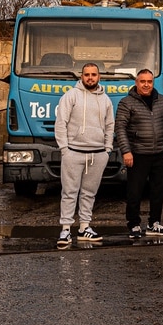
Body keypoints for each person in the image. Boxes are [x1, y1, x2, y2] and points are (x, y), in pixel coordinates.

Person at [52, 62, 114, 249]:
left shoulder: (105, 100)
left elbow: (110, 125)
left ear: (99, 77)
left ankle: (84, 228)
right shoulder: (71, 96)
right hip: (73, 152)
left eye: (93, 74)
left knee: (89, 193)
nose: (90, 78)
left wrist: (107, 149)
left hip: (97, 154)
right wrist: (64, 149)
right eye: (86, 74)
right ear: (81, 76)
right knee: (69, 193)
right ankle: (65, 229)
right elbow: (61, 122)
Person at [114, 69, 163, 238]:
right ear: (136, 83)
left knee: (158, 191)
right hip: (137, 154)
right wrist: (126, 151)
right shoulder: (126, 102)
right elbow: (120, 128)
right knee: (134, 192)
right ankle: (134, 225)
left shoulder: (162, 101)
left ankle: (154, 223)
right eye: (142, 81)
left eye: (149, 82)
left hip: (160, 153)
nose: (146, 85)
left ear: (153, 83)